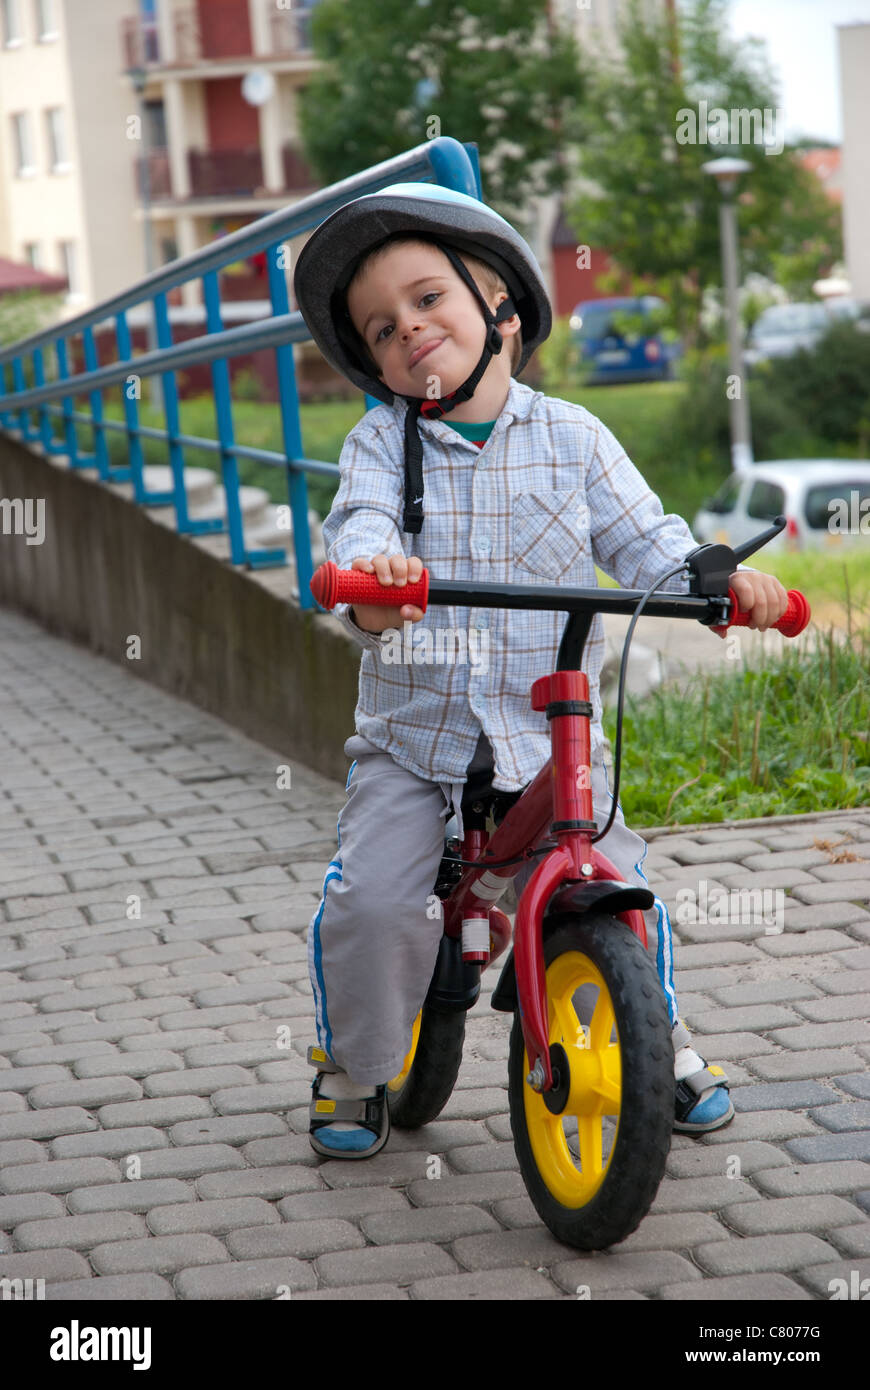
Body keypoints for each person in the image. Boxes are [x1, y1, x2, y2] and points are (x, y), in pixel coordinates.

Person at [292, 182, 788, 1158]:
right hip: (414, 751)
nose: (408, 331)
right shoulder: (382, 448)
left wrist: (718, 584)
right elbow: (357, 536)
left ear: (502, 313)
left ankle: (655, 1037)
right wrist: (376, 586)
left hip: (547, 743)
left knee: (622, 881)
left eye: (429, 300)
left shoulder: (575, 439)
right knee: (376, 903)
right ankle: (352, 1065)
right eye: (382, 327)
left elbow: (649, 542)